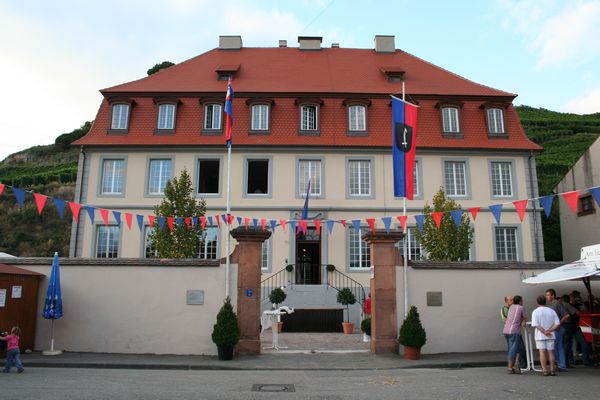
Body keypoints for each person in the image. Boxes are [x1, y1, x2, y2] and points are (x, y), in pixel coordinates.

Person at [531, 295, 560, 376]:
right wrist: (549, 330)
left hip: (540, 335)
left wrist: (544, 331)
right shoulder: (551, 311)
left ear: (537, 302)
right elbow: (557, 323)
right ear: (545, 301)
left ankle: (544, 370)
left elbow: (535, 324)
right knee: (551, 352)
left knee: (542, 352)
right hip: (551, 334)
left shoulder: (535, 311)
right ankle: (552, 369)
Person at [545, 288, 569, 371]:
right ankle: (561, 364)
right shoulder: (553, 304)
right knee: (558, 346)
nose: (547, 297)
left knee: (556, 346)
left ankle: (560, 364)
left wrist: (559, 323)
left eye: (548, 295)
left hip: (558, 328)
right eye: (546, 295)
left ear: (553, 295)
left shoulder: (557, 304)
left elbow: (566, 315)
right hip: (555, 328)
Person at [502, 295, 526, 374]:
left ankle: (516, 365)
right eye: (522, 300)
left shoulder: (511, 307)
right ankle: (510, 368)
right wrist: (522, 321)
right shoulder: (521, 308)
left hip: (506, 330)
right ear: (520, 301)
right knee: (513, 349)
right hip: (514, 331)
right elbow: (525, 318)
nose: (523, 302)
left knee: (512, 348)